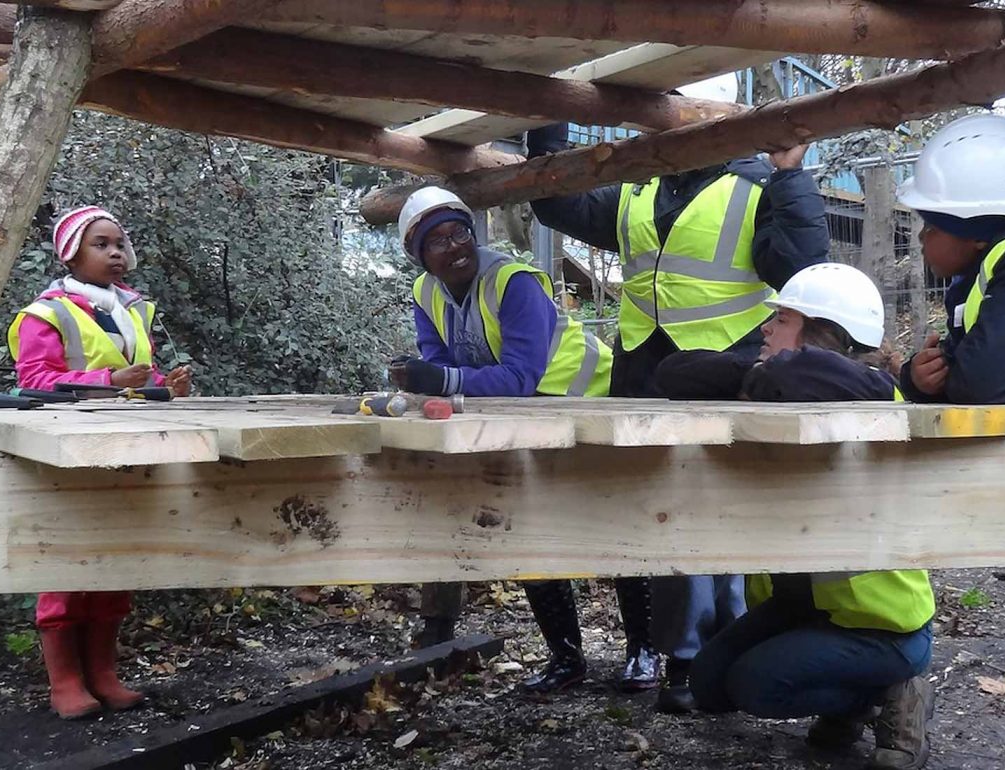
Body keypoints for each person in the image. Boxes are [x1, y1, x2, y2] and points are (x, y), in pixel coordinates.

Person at [526, 106, 831, 711]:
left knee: (723, 514)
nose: (653, 136)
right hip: (644, 375)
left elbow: (801, 265)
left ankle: (728, 648)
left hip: (725, 373)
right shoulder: (638, 191)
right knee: (658, 517)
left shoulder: (757, 187)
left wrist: (792, 175)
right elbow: (557, 204)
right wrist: (546, 123)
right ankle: (683, 658)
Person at [657, 263, 935, 770]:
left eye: (782, 319)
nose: (766, 328)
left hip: (879, 624)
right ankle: (851, 699)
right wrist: (755, 374)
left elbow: (809, 374)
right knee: (707, 684)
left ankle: (888, 696)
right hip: (797, 607)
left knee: (756, 685)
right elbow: (674, 371)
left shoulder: (873, 398)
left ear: (824, 333)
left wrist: (763, 375)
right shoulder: (785, 390)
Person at [392, 186, 661, 693]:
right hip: (524, 419)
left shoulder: (514, 282)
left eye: (460, 233)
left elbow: (513, 376)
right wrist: (427, 381)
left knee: (618, 527)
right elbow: (440, 368)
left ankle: (643, 652)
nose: (455, 246)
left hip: (587, 409)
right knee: (528, 531)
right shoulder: (426, 294)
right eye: (438, 240)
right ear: (419, 256)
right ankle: (566, 660)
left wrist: (438, 382)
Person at [8, 205, 192, 719]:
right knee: (66, 561)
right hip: (65, 456)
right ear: (71, 252)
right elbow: (33, 383)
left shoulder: (132, 308)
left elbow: (141, 375)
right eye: (101, 244)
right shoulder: (47, 313)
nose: (115, 252)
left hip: (125, 450)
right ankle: (65, 680)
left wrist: (164, 387)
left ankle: (103, 673)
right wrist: (109, 384)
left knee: (116, 557)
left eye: (119, 242)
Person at [895, 113, 1005, 405]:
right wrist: (918, 379)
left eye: (932, 226)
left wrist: (947, 375)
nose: (922, 238)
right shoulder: (1004, 268)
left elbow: (982, 382)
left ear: (977, 235)